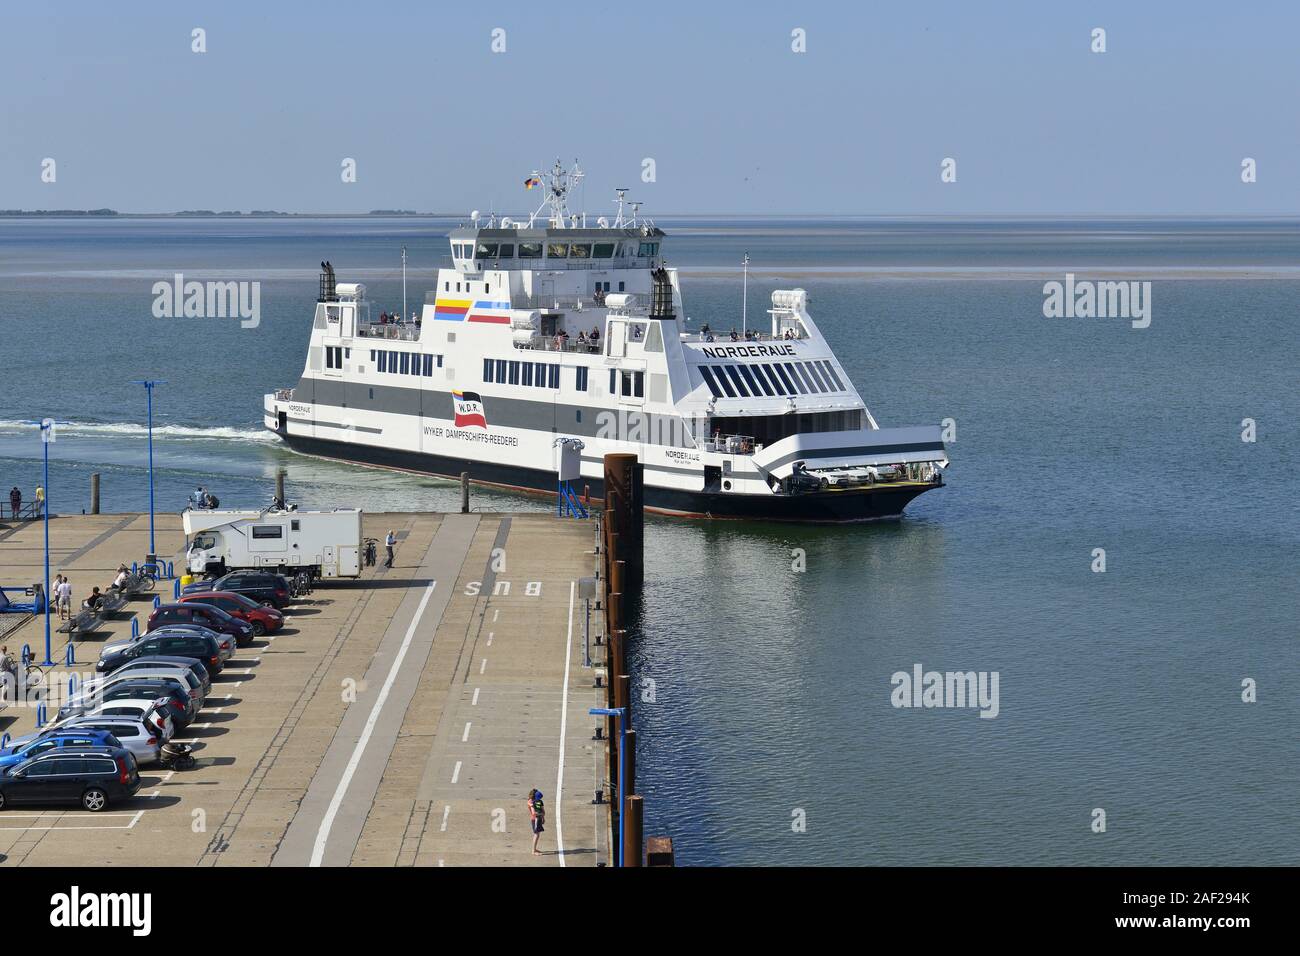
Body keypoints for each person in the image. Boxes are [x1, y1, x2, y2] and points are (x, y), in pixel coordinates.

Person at [527, 788, 546, 855]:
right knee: (536, 834)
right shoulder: (530, 802)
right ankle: (533, 851)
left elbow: (542, 809)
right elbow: (534, 813)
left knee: (538, 834)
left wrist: (543, 817)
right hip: (535, 819)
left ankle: (534, 849)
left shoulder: (539, 801)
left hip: (539, 819)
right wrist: (541, 814)